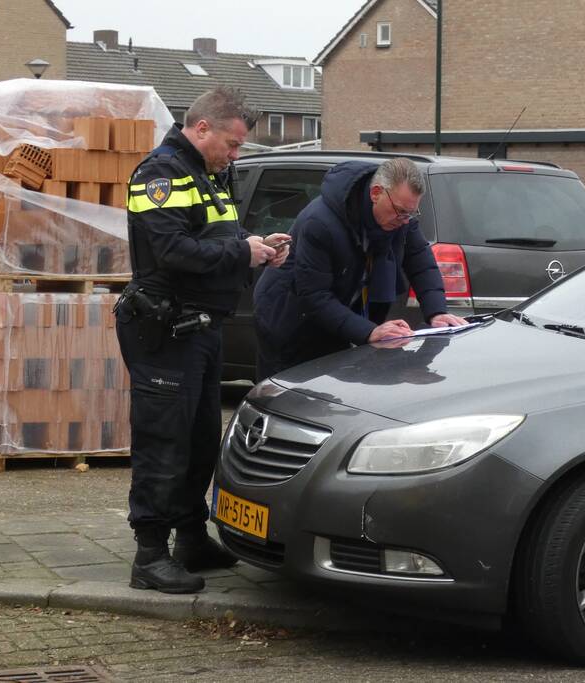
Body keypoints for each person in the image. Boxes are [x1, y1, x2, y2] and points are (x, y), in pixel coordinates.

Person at [114, 87, 289, 594]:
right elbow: (170, 250)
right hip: (166, 329)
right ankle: (149, 555)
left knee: (198, 439)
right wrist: (243, 253)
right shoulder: (160, 174)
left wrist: (257, 248)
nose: (235, 155)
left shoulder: (211, 174)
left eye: (239, 148)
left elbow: (218, 238)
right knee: (163, 440)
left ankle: (190, 537)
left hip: (203, 326)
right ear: (203, 128)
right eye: (232, 144)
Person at [252, 157, 467, 380]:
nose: (405, 221)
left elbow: (420, 262)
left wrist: (437, 312)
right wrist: (369, 331)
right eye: (400, 211)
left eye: (411, 213)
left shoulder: (400, 217)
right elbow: (314, 296)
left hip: (339, 314)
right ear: (376, 193)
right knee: (293, 398)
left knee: (339, 398)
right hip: (290, 319)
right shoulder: (319, 223)